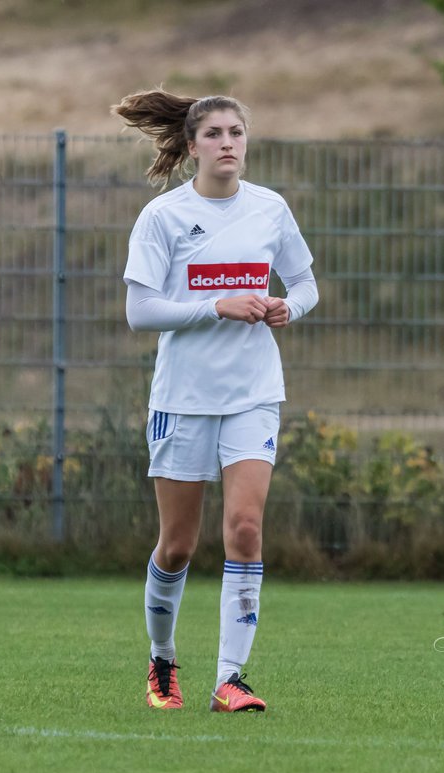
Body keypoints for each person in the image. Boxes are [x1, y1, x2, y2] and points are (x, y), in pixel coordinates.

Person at [112, 89, 320, 712]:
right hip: (184, 397)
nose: (228, 142)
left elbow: (306, 283)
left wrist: (290, 306)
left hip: (253, 394)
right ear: (192, 145)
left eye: (236, 132)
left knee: (246, 529)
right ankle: (162, 659)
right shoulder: (164, 217)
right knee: (177, 544)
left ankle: (231, 678)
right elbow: (139, 311)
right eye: (214, 134)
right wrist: (216, 306)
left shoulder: (270, 210)